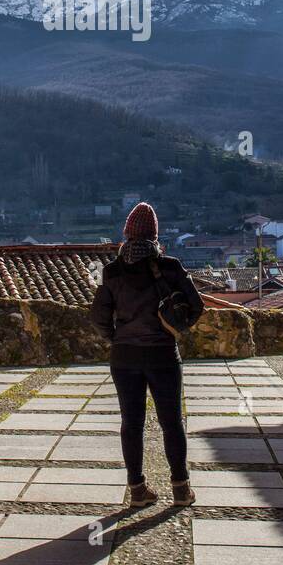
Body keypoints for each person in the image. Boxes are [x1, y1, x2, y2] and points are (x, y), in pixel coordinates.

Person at [90, 202, 204, 506]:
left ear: (127, 234)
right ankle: (181, 488)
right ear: (154, 235)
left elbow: (99, 318)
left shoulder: (111, 272)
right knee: (172, 422)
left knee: (132, 422)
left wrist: (117, 338)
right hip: (163, 355)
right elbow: (197, 306)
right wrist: (176, 328)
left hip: (124, 357)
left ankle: (137, 490)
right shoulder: (171, 267)